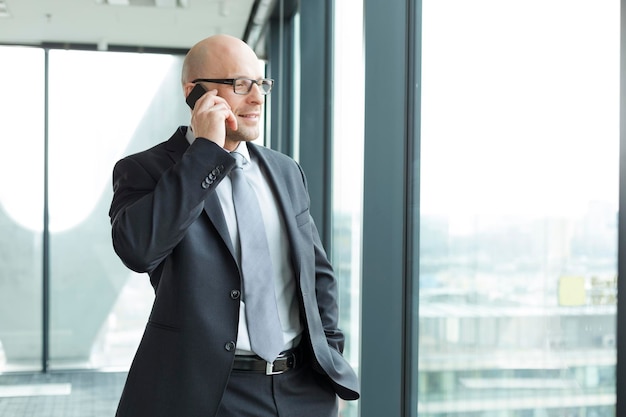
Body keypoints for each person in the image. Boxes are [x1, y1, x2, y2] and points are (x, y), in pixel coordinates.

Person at [108, 34, 360, 417]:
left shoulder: (285, 170)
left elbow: (317, 276)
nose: (257, 98)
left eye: (261, 83)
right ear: (194, 93)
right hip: (209, 396)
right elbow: (140, 250)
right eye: (240, 85)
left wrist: (329, 363)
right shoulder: (145, 170)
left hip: (302, 389)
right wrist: (205, 153)